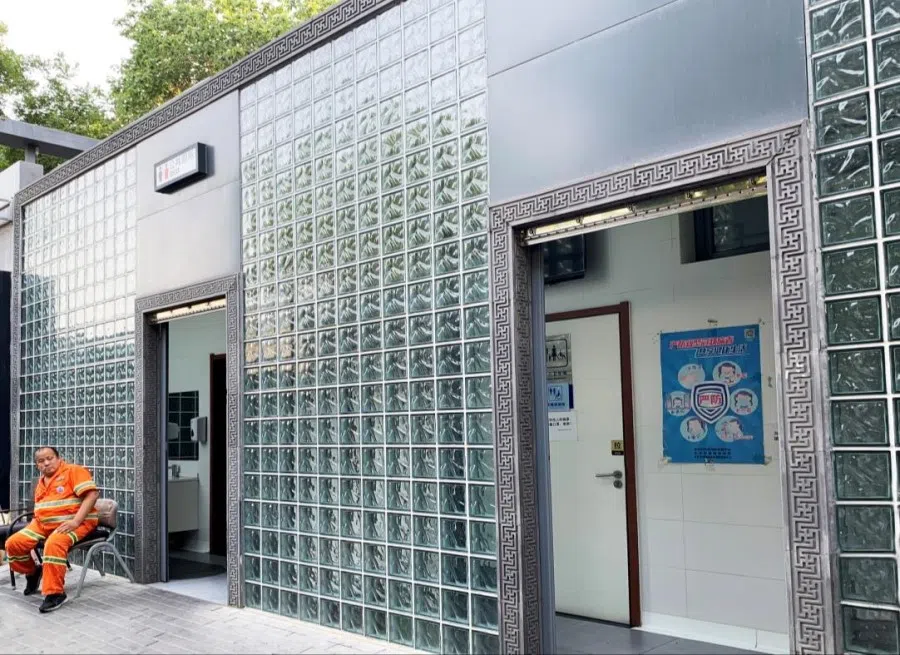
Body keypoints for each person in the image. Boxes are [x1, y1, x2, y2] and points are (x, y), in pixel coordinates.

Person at [5, 446, 100, 613]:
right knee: (13, 543)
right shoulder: (41, 482)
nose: (46, 463)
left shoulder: (73, 471)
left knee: (54, 544)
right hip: (42, 524)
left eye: (50, 458)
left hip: (75, 522)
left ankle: (55, 593)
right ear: (37, 465)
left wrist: (76, 521)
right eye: (41, 461)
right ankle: (33, 572)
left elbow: (92, 495)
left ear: (58, 458)